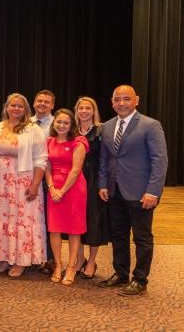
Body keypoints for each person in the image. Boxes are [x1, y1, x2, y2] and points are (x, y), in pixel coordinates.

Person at [98, 85, 168, 296]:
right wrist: (102, 184)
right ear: (112, 102)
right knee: (118, 235)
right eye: (117, 99)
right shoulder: (107, 126)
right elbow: (105, 159)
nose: (121, 103)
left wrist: (153, 191)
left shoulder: (150, 125)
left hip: (141, 193)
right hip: (114, 190)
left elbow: (160, 160)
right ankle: (120, 274)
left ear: (136, 100)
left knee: (142, 238)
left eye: (126, 99)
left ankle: (140, 279)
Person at [0, 93, 48, 278]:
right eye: (12, 105)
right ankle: (5, 257)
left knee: (22, 220)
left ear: (26, 109)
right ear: (6, 107)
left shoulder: (33, 129)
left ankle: (21, 260)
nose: (16, 109)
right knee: (3, 220)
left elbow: (41, 159)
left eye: (20, 106)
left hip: (23, 181)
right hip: (1, 183)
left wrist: (35, 184)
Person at [45, 109, 88, 285]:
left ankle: (71, 267)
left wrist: (61, 191)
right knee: (54, 228)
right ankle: (58, 265)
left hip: (73, 188)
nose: (62, 125)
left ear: (72, 125)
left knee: (73, 229)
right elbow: (46, 166)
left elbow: (76, 170)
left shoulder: (79, 141)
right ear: (54, 123)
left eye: (66, 123)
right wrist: (51, 187)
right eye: (59, 122)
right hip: (53, 187)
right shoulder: (48, 141)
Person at [74, 96, 109, 279]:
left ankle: (92, 261)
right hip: (74, 179)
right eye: (81, 108)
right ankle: (79, 258)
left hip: (94, 180)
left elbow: (105, 159)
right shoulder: (72, 130)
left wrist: (103, 183)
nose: (84, 111)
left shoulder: (101, 130)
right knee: (75, 221)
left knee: (93, 220)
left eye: (88, 108)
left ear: (93, 111)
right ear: (77, 111)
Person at [30, 89, 55, 274]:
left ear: (52, 105)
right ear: (34, 103)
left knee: (49, 220)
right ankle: (33, 254)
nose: (42, 104)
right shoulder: (26, 123)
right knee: (31, 218)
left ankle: (50, 258)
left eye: (47, 102)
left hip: (51, 178)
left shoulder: (58, 124)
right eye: (40, 101)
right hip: (27, 176)